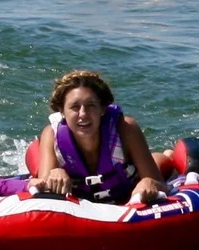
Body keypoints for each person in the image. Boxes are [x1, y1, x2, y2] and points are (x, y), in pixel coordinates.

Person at [32, 70, 167, 206]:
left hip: (125, 193)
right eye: (75, 107)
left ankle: (167, 156)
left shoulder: (126, 129)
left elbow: (160, 184)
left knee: (163, 162)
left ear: (103, 108)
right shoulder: (51, 135)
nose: (83, 114)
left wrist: (149, 182)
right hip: (82, 201)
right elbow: (43, 188)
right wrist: (55, 174)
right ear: (62, 111)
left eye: (91, 105)